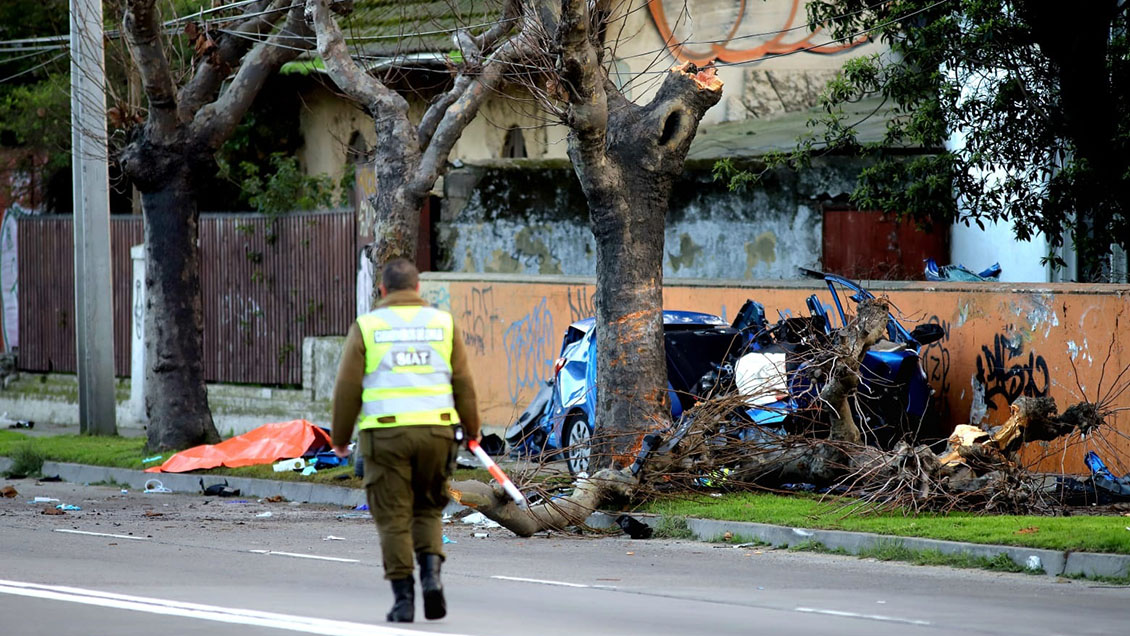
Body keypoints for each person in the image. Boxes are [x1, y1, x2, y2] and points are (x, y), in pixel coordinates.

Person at [331, 258, 480, 623]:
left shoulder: (368, 326)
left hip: (386, 436)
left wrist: (340, 438)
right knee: (428, 509)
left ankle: (403, 601)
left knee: (393, 516)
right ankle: (431, 578)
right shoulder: (442, 323)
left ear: (382, 290)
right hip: (437, 433)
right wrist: (473, 430)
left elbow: (347, 388)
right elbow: (463, 382)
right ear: (417, 288)